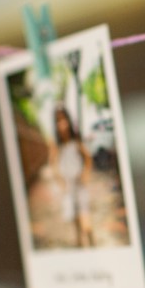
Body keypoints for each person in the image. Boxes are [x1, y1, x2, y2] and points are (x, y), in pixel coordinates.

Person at [51, 105, 94, 247]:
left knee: (85, 223)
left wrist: (85, 173)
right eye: (58, 121)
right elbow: (54, 165)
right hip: (69, 190)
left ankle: (92, 244)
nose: (61, 124)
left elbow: (88, 158)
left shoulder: (76, 141)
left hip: (80, 186)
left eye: (63, 120)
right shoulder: (57, 146)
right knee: (75, 222)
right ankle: (80, 246)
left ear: (68, 121)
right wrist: (60, 180)